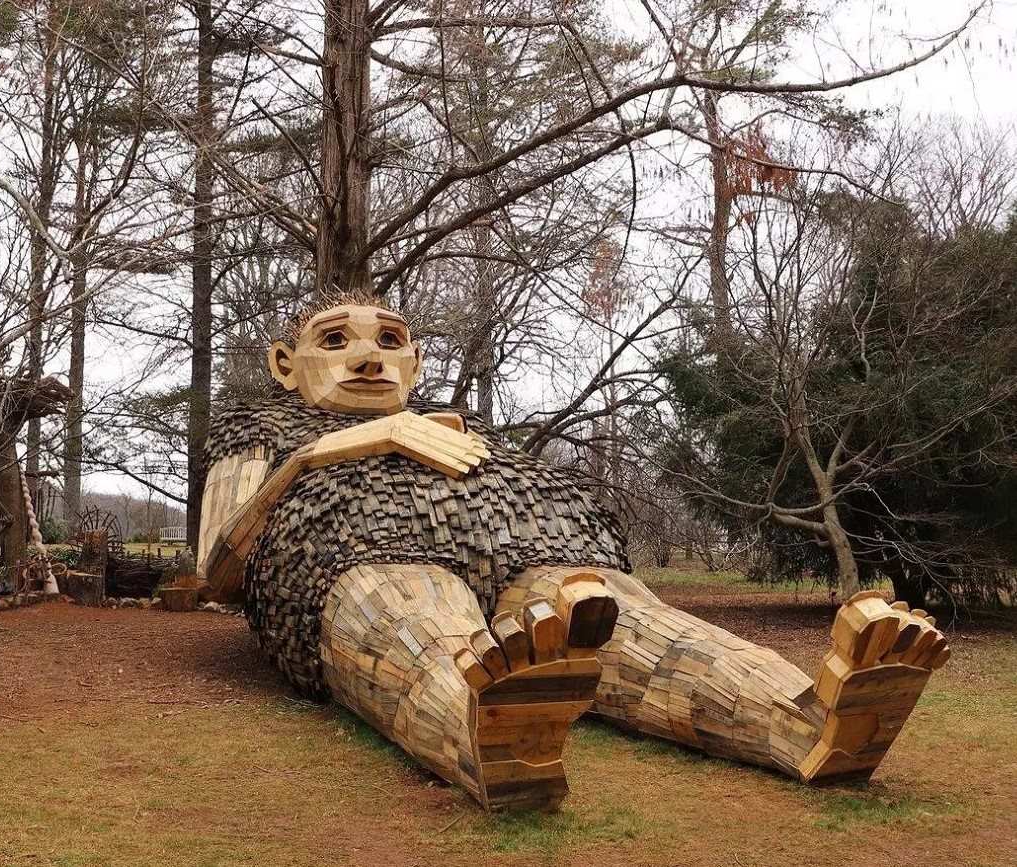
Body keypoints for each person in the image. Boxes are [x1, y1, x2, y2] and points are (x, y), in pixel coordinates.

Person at [198, 297, 950, 811]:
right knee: (412, 620)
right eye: (335, 340)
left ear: (416, 362)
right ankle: (486, 729)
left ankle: (811, 720)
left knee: (615, 619)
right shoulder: (261, 434)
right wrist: (325, 453)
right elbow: (218, 573)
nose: (368, 357)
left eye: (389, 341)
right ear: (285, 364)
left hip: (533, 552)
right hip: (361, 557)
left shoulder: (460, 428)